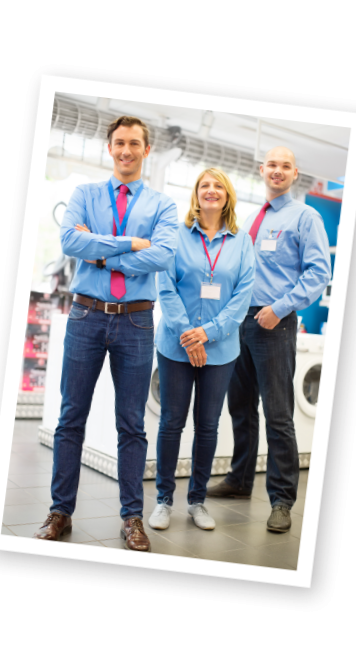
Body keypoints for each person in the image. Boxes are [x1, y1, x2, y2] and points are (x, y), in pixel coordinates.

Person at [34, 116, 178, 552]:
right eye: (119, 142)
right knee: (70, 417)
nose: (126, 150)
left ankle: (132, 517)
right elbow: (70, 243)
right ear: (109, 147)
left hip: (136, 320)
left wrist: (102, 252)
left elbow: (164, 254)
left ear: (146, 150)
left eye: (135, 143)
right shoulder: (85, 194)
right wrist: (131, 244)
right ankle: (61, 511)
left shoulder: (162, 205)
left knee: (131, 424)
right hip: (86, 316)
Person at [207, 147, 331, 533]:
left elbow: (318, 273)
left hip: (274, 323)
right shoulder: (249, 217)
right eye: (271, 165)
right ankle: (240, 480)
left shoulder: (305, 216)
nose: (277, 171)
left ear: (295, 174)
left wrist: (280, 307)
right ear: (262, 170)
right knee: (240, 407)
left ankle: (281, 500)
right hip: (240, 321)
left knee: (278, 414)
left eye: (285, 166)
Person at [149, 168, 255, 532]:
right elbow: (166, 288)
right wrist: (189, 335)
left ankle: (196, 501)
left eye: (218, 186)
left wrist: (207, 334)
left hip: (221, 349)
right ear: (196, 195)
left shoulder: (242, 241)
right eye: (204, 186)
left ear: (227, 196)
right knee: (172, 422)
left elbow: (243, 296)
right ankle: (163, 500)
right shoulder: (176, 236)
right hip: (175, 346)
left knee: (207, 426)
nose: (211, 191)